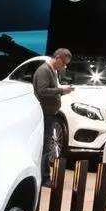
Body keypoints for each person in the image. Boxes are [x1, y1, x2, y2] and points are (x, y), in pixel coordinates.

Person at [34, 48, 74, 178]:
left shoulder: (52, 71)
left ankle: (44, 176)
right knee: (45, 146)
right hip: (45, 113)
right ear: (57, 58)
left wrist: (62, 91)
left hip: (50, 113)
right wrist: (61, 91)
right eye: (64, 63)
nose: (64, 66)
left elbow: (50, 90)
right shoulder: (44, 70)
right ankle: (44, 177)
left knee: (47, 144)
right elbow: (42, 91)